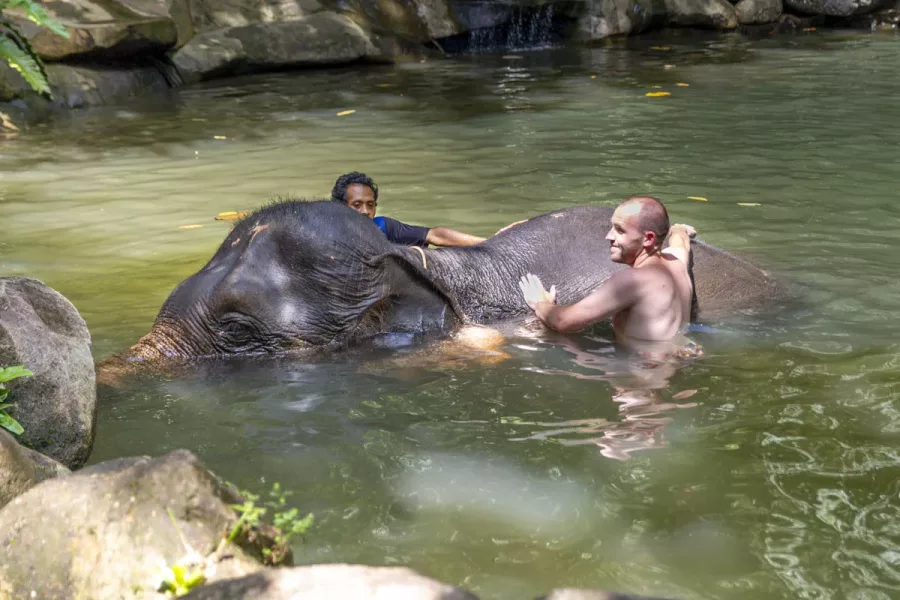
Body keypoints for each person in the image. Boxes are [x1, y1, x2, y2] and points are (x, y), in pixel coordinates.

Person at [518, 196, 701, 360]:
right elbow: (681, 242)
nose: (608, 236)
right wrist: (680, 230)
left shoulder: (633, 281)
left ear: (648, 239)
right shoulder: (678, 262)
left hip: (646, 372)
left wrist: (541, 304)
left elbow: (564, 322)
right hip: (683, 353)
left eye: (620, 231)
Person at [331, 172, 486, 248]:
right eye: (357, 204)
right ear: (341, 207)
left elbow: (434, 235)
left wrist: (489, 244)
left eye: (370, 204)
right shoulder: (325, 233)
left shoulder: (383, 227)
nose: (365, 211)